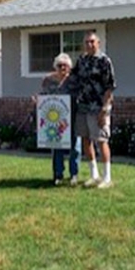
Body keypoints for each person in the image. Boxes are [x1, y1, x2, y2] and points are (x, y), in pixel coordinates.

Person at [70, 31, 116, 188]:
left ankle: (107, 177)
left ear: (98, 43)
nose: (89, 45)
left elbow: (110, 87)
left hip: (98, 107)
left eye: (92, 42)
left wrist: (104, 109)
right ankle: (94, 175)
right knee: (85, 139)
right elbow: (72, 76)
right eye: (87, 42)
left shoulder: (104, 61)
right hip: (82, 106)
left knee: (102, 140)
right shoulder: (82, 60)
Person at [39, 53, 80, 186]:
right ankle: (58, 174)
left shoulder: (74, 80)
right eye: (59, 65)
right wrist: (37, 100)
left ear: (69, 67)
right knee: (57, 147)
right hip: (56, 119)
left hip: (73, 117)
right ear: (55, 67)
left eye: (65, 65)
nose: (62, 68)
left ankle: (74, 174)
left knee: (75, 147)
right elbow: (43, 96)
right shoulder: (48, 80)